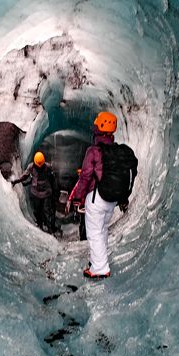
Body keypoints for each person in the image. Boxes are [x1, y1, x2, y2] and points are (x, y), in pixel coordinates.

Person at [65, 112, 138, 279]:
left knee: (94, 233)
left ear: (100, 128)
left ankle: (100, 268)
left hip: (96, 198)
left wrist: (78, 197)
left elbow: (85, 177)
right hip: (111, 199)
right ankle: (97, 261)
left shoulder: (94, 151)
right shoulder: (116, 150)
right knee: (102, 229)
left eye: (97, 125)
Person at [12, 151, 57, 233]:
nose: (39, 167)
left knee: (47, 211)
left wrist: (55, 190)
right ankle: (40, 226)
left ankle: (51, 229)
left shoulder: (48, 167)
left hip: (46, 193)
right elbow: (25, 176)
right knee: (37, 210)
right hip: (36, 193)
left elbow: (53, 179)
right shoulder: (31, 167)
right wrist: (16, 181)